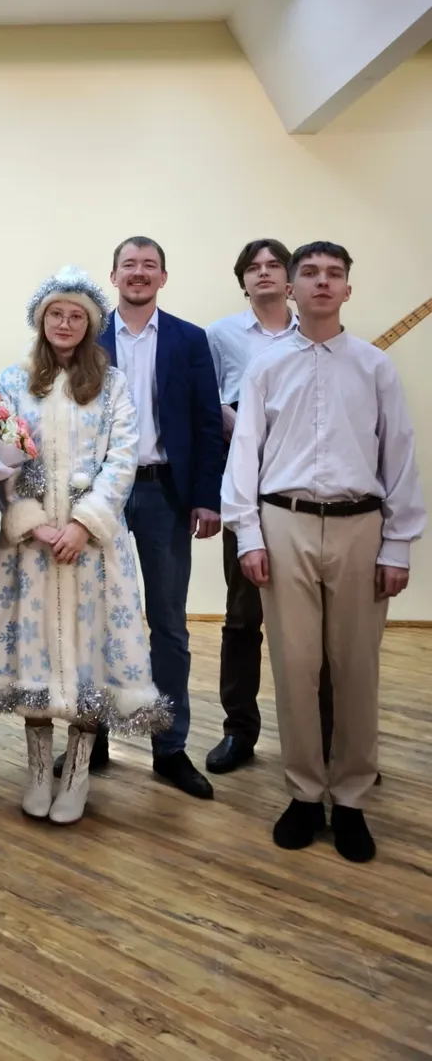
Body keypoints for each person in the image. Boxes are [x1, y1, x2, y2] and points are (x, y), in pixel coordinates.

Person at [222, 242, 424, 862]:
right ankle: (305, 792)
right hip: (284, 524)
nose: (322, 282)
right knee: (295, 666)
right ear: (292, 287)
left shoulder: (374, 367)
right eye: (309, 273)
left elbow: (399, 454)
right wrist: (249, 535)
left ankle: (353, 796)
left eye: (334, 274)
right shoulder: (265, 367)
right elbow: (245, 454)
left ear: (347, 290)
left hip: (361, 528)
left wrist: (398, 544)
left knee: (357, 668)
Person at [0, 267, 170, 825]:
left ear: (90, 325)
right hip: (32, 549)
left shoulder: (112, 384)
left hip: (92, 547)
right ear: (41, 321)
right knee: (33, 654)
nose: (64, 323)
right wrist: (32, 521)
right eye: (55, 314)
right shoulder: (14, 381)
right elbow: (5, 453)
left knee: (90, 659)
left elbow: (123, 458)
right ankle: (39, 771)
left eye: (75, 316)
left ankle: (78, 773)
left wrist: (84, 524)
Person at [62, 237, 223, 798]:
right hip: (98, 495)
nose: (138, 272)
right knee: (95, 618)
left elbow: (207, 423)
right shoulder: (87, 336)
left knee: (169, 624)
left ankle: (169, 747)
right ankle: (92, 737)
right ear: (113, 275)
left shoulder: (189, 339)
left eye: (148, 265)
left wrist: (207, 496)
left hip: (163, 493)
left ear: (163, 277)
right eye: (128, 264)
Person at [205, 239, 309, 774]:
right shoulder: (220, 335)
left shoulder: (314, 332)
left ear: (290, 279)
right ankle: (239, 731)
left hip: (305, 491)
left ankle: (321, 739)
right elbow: (204, 402)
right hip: (245, 485)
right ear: (242, 281)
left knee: (313, 625)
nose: (263, 272)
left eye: (274, 265)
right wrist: (230, 418)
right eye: (253, 267)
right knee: (243, 617)